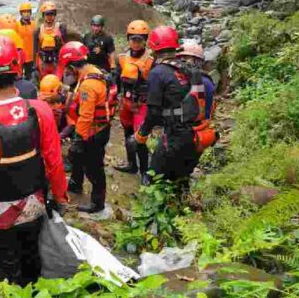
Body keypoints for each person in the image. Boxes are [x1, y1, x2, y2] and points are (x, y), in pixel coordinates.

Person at [0, 35, 68, 286]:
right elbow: (54, 161)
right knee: (33, 265)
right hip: (36, 206)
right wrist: (60, 197)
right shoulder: (40, 110)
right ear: (17, 69)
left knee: (9, 276)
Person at [132, 26, 205, 186]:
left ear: (154, 47)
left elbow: (153, 112)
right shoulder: (188, 69)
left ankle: (151, 206)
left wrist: (141, 135)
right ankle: (181, 207)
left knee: (153, 179)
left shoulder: (158, 73)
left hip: (175, 136)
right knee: (180, 180)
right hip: (195, 135)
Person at [60, 42, 117, 214]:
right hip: (98, 128)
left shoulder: (88, 85)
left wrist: (78, 139)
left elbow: (86, 116)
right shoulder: (93, 71)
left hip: (94, 132)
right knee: (79, 159)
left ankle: (97, 203)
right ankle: (76, 184)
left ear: (72, 66)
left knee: (94, 168)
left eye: (68, 69)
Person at [115, 20, 154, 184]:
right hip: (126, 102)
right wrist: (115, 97)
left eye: (140, 39)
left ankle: (145, 171)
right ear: (128, 39)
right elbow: (117, 80)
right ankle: (132, 164)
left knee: (140, 138)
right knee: (127, 133)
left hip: (141, 104)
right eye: (133, 39)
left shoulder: (150, 60)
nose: (136, 43)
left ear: (145, 40)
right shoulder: (122, 58)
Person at [176, 41, 218, 156]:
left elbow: (204, 108)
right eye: (181, 58)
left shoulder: (203, 82)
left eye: (186, 58)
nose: (182, 62)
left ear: (197, 61)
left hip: (194, 128)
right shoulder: (186, 79)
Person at [34, 1, 68, 78]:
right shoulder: (38, 30)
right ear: (44, 15)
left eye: (51, 14)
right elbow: (36, 50)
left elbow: (65, 46)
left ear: (54, 15)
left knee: (57, 82)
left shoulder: (61, 28)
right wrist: (35, 65)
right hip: (43, 63)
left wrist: (59, 42)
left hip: (56, 61)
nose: (49, 17)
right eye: (47, 14)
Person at [15, 2, 37, 81]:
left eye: (28, 12)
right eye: (24, 12)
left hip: (31, 56)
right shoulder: (16, 25)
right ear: (21, 13)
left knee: (29, 76)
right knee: (18, 76)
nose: (27, 14)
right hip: (20, 55)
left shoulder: (34, 24)